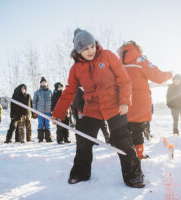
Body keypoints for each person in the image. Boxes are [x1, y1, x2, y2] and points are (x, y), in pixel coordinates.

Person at [52, 28, 144, 188]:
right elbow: (69, 92)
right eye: (85, 48)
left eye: (92, 46)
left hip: (114, 103)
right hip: (92, 106)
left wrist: (124, 101)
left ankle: (134, 175)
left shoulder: (107, 56)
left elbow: (124, 79)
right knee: (83, 139)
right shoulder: (76, 69)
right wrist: (58, 114)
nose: (90, 51)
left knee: (121, 139)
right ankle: (80, 173)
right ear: (78, 50)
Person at [118, 41, 172, 159]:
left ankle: (126, 156)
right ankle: (139, 155)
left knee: (126, 130)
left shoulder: (118, 63)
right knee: (137, 130)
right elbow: (158, 77)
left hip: (123, 102)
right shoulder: (140, 60)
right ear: (137, 49)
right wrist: (170, 74)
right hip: (139, 103)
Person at [33, 77, 53, 142]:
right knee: (40, 124)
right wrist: (34, 111)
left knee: (47, 124)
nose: (43, 84)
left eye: (44, 82)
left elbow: (53, 101)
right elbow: (34, 102)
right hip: (40, 111)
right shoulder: (37, 92)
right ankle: (40, 138)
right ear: (40, 84)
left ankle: (48, 138)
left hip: (48, 111)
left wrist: (52, 110)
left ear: (46, 83)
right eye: (42, 83)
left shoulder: (50, 92)